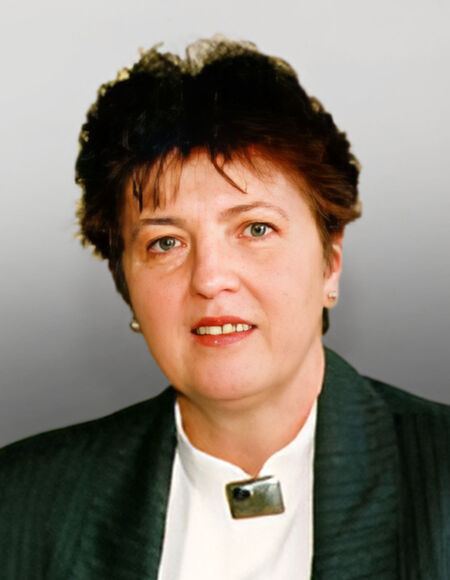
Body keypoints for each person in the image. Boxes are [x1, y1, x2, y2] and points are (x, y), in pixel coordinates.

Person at [0, 36, 449, 580]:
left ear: (329, 264)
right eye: (165, 243)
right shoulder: (20, 505)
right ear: (126, 285)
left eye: (255, 229)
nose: (210, 279)